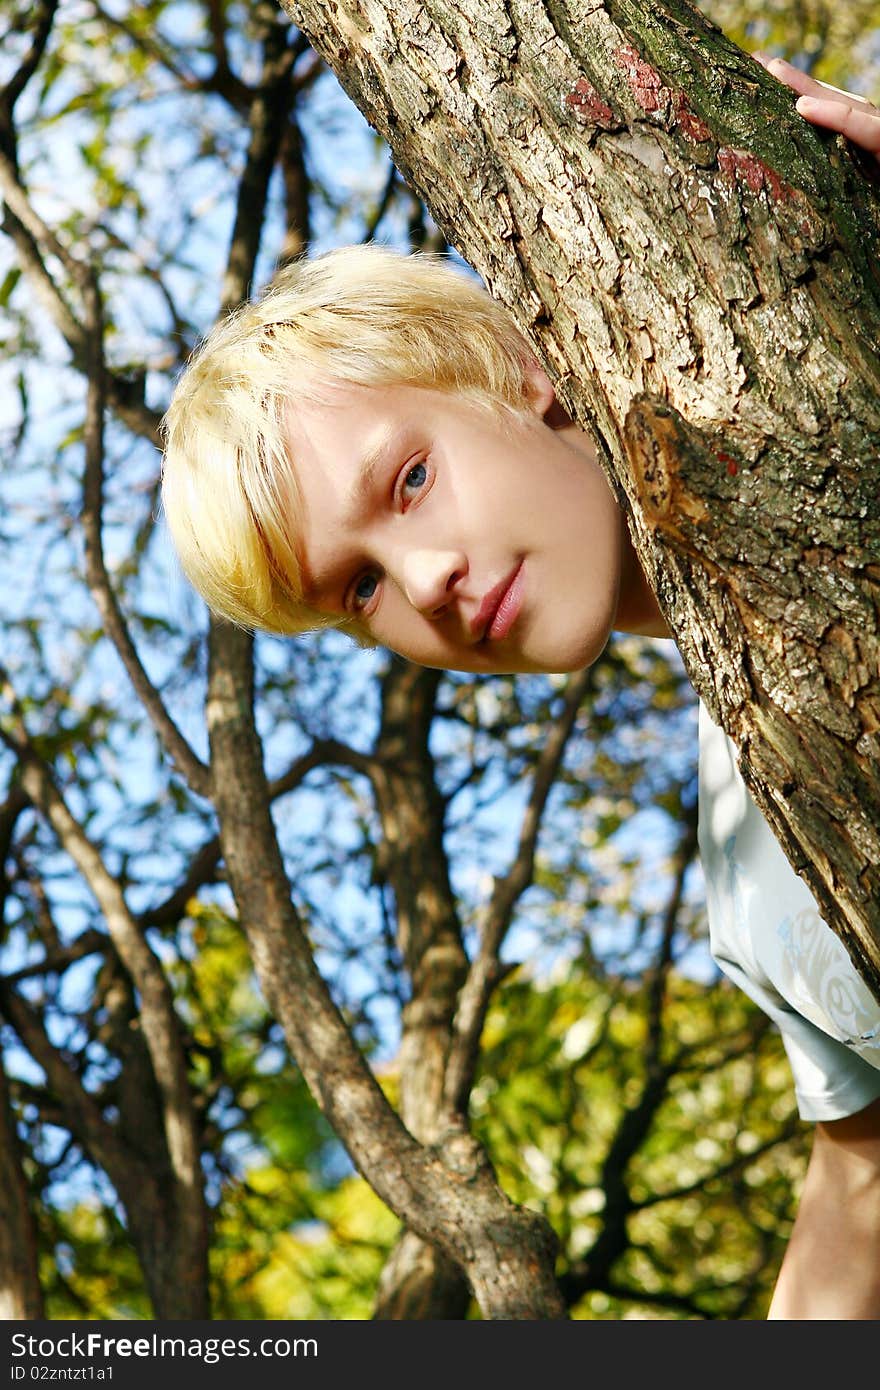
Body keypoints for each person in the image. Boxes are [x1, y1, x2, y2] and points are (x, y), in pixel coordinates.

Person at [160, 56, 880, 1318]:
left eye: (408, 482)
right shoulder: (747, 884)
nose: (423, 583)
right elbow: (862, 1167)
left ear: (513, 364)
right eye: (360, 592)